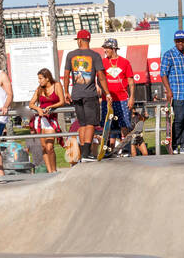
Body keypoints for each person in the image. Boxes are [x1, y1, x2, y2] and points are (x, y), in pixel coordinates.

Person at [63, 29, 109, 163]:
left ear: (80, 40)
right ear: (88, 40)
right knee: (90, 124)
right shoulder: (95, 56)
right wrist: (107, 93)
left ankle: (84, 153)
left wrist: (66, 91)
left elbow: (66, 75)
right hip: (89, 94)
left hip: (76, 95)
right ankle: (86, 153)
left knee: (82, 124)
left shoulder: (70, 55)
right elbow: (101, 76)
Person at [161, 29, 184, 154]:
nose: (180, 43)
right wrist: (168, 91)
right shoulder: (168, 54)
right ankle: (174, 143)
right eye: (178, 41)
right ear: (174, 41)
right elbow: (163, 74)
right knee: (179, 119)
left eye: (182, 41)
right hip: (177, 93)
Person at [27, 68, 67, 174]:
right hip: (40, 120)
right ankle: (49, 172)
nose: (39, 81)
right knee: (44, 147)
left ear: (47, 78)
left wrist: (51, 106)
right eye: (38, 78)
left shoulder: (57, 85)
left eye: (40, 78)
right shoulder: (39, 89)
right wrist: (38, 109)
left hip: (51, 119)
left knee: (50, 147)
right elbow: (31, 103)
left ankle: (54, 171)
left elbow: (62, 101)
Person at [100, 38, 135, 146]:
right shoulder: (103, 62)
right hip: (108, 99)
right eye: (104, 48)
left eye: (107, 48)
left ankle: (126, 148)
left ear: (114, 49)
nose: (105, 50)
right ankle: (105, 148)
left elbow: (131, 81)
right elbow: (100, 79)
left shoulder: (125, 62)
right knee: (107, 124)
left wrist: (132, 97)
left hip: (122, 99)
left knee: (124, 124)